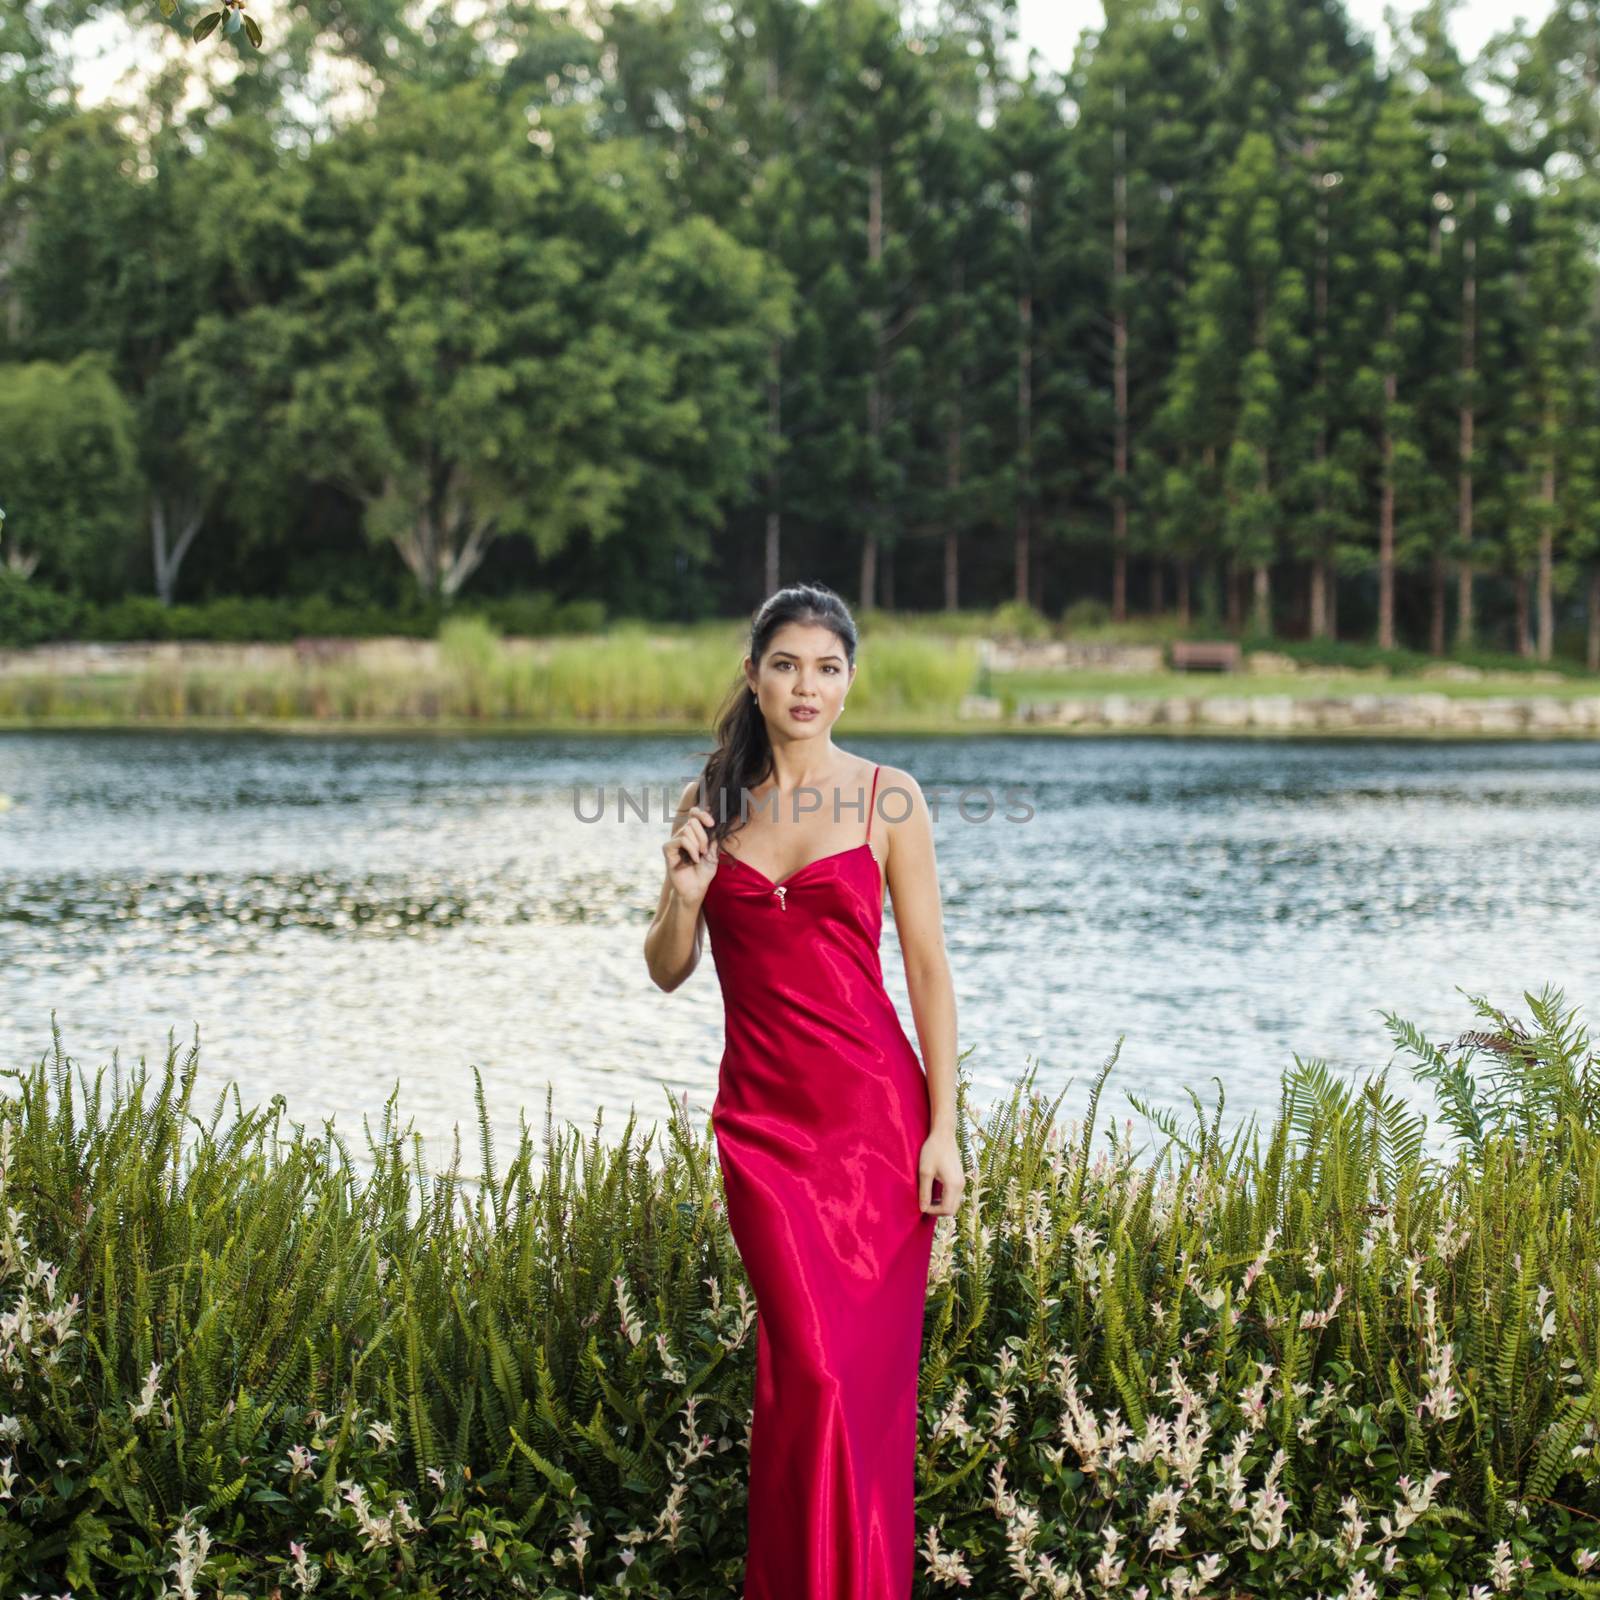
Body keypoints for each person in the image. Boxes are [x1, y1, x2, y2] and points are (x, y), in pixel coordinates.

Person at [644, 582, 964, 1600]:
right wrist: (681, 895)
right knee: (810, 1377)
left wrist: (945, 1130)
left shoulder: (886, 797)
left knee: (850, 1394)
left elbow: (926, 972)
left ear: (849, 681)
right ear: (753, 673)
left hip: (877, 1128)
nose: (805, 685)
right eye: (786, 663)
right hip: (765, 1137)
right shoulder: (709, 806)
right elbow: (664, 966)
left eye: (827, 667)